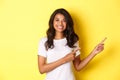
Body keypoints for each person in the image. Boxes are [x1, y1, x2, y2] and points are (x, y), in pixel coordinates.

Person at [38, 8, 107, 80]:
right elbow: (42, 69)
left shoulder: (72, 40)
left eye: (64, 20)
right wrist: (64, 59)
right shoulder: (44, 41)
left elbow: (78, 67)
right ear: (52, 21)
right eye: (57, 20)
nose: (60, 23)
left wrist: (94, 52)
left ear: (68, 23)